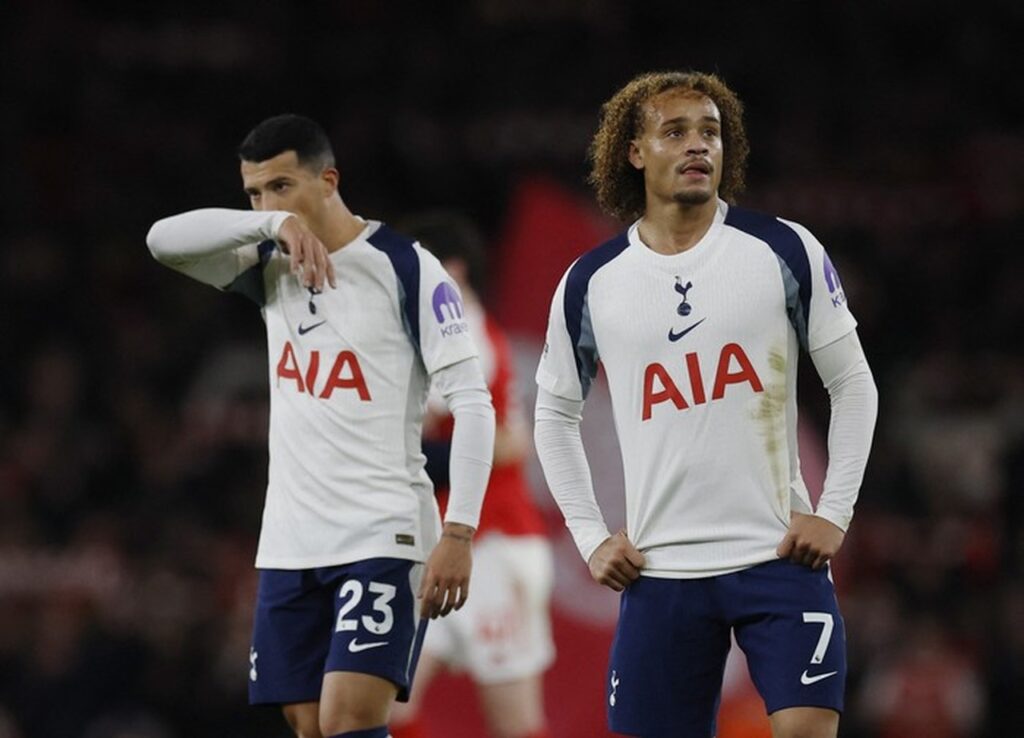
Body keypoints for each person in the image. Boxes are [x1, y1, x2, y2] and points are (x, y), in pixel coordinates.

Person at [532, 71, 878, 738]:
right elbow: (552, 413)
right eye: (675, 131)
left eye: (710, 132)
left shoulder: (782, 249)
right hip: (661, 573)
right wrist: (590, 537)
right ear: (635, 152)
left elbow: (854, 383)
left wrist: (834, 512)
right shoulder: (592, 282)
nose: (698, 145)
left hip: (780, 557)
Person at [146, 114, 496, 738]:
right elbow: (162, 240)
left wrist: (460, 531)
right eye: (254, 193)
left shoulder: (406, 267)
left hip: (383, 532)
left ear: (328, 180)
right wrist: (272, 225)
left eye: (281, 187)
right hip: (291, 540)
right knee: (308, 725)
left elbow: (473, 402)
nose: (266, 204)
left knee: (348, 719)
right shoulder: (267, 262)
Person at [387, 213, 555, 738]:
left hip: (494, 546)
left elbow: (500, 444)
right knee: (385, 704)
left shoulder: (462, 332)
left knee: (515, 723)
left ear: (453, 271)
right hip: (441, 544)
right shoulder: (465, 330)